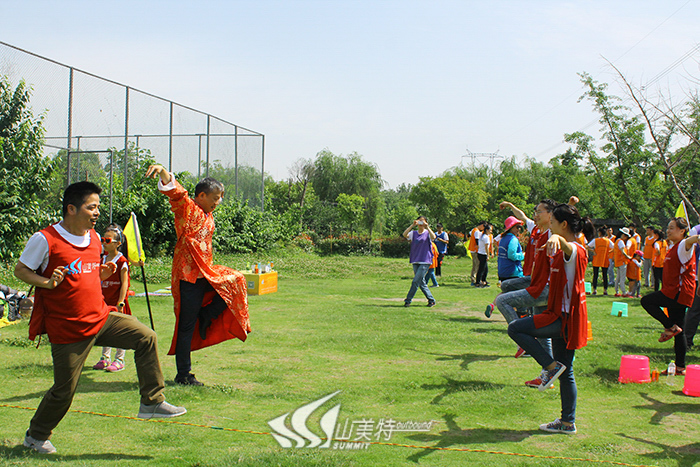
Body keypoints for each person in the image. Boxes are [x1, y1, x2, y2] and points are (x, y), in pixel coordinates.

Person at [14, 181, 185, 454]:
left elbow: (87, 274)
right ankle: (35, 437)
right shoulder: (45, 239)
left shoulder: (94, 238)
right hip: (68, 329)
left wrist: (100, 276)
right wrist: (46, 283)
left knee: (146, 337)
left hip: (101, 317)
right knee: (63, 392)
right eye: (91, 207)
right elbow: (21, 270)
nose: (96, 212)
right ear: (71, 208)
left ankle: (151, 402)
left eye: (98, 207)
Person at [147, 164, 251, 386]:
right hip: (189, 276)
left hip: (207, 272)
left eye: (220, 198)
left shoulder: (208, 214)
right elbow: (177, 194)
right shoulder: (188, 209)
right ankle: (183, 374)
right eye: (215, 197)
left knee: (236, 282)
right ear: (201, 195)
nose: (218, 202)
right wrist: (164, 172)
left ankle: (205, 317)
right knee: (185, 326)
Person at [507, 204, 593, 435]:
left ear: (563, 225)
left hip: (564, 320)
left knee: (516, 328)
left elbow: (569, 249)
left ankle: (550, 367)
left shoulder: (575, 249)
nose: (551, 227)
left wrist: (558, 241)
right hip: (562, 317)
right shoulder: (565, 243)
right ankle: (567, 423)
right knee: (568, 372)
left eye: (553, 224)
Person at [640, 217, 699, 376]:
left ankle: (669, 327)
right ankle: (680, 367)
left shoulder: (683, 245)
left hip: (678, 292)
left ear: (682, 231)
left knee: (646, 301)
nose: (668, 230)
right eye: (668, 227)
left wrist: (696, 238)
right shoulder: (673, 246)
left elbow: (692, 240)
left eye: (672, 228)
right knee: (680, 331)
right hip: (676, 292)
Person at [92, 224, 133, 372]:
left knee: (119, 330)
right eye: (103, 239)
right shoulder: (101, 259)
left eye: (108, 240)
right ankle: (105, 357)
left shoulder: (121, 261)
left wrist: (121, 301)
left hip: (117, 302)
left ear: (118, 244)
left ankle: (119, 359)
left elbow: (124, 284)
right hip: (104, 301)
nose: (104, 243)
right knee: (105, 329)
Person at [485, 216, 524, 318]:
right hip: (513, 271)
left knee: (506, 292)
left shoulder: (502, 239)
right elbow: (512, 255)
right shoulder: (513, 239)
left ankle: (492, 305)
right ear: (512, 228)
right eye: (517, 227)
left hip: (503, 271)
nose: (519, 229)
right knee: (518, 294)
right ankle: (518, 315)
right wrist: (523, 255)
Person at [402, 216, 436, 307]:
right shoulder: (413, 233)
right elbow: (405, 235)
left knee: (415, 281)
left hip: (425, 260)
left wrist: (427, 227)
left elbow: (434, 237)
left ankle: (408, 300)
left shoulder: (427, 233)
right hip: (415, 260)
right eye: (419, 222)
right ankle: (431, 300)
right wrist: (412, 225)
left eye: (423, 222)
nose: (421, 224)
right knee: (421, 282)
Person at [587, 226, 613, 295]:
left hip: (596, 259)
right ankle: (605, 290)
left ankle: (594, 290)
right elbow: (614, 247)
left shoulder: (595, 240)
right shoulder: (608, 241)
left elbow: (587, 246)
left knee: (595, 275)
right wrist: (609, 252)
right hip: (605, 259)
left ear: (600, 233)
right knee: (605, 275)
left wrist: (593, 251)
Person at [613, 228, 632, 297]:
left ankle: (617, 291)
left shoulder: (617, 241)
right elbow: (622, 251)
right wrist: (628, 257)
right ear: (624, 235)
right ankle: (624, 292)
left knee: (618, 277)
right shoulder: (621, 242)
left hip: (618, 261)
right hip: (622, 261)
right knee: (622, 278)